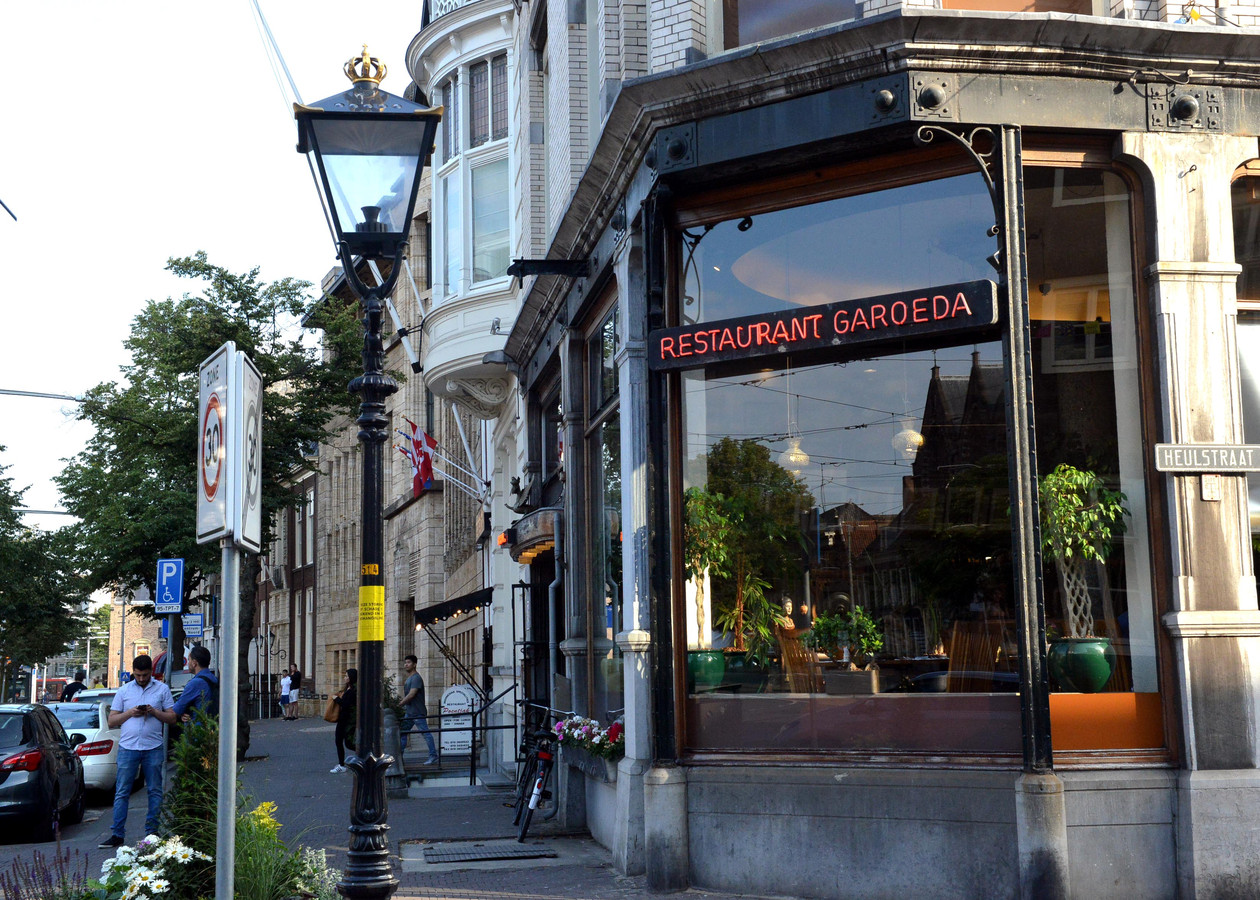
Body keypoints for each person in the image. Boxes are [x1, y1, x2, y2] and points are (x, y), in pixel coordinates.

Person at [99, 654, 176, 848]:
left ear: (152, 672)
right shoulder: (124, 691)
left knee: (155, 791)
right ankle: (117, 834)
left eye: (145, 675)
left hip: (153, 747)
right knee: (122, 792)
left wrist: (154, 712)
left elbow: (172, 718)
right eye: (138, 675)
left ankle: (152, 833)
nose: (141, 679)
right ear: (133, 672)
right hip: (128, 747)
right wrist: (130, 713)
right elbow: (112, 720)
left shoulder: (162, 689)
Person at [400, 655, 438, 765]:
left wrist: (401, 704)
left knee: (425, 733)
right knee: (402, 733)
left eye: (408, 662)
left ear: (414, 664)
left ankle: (433, 755)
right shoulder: (410, 678)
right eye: (405, 662)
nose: (406, 664)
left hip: (417, 712)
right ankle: (399, 756)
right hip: (410, 712)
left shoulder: (416, 678)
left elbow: (412, 694)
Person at [172, 646, 218, 723]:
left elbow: (177, 709)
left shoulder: (195, 683)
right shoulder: (214, 679)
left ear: (194, 663)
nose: (188, 663)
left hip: (198, 729)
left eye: (189, 660)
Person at [330, 668, 357, 774]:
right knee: (342, 741)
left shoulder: (353, 691)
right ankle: (341, 763)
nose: (345, 678)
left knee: (347, 743)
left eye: (347, 676)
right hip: (344, 719)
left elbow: (346, 704)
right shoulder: (348, 689)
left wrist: (336, 699)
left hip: (346, 719)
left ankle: (342, 765)